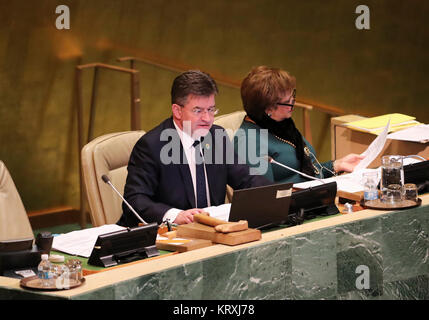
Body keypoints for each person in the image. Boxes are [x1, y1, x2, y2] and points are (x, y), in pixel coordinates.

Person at [117, 70, 270, 227]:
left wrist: (281, 194)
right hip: (171, 235)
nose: (207, 118)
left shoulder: (216, 135)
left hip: (212, 230)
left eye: (211, 109)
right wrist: (176, 215)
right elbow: (134, 201)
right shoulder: (152, 146)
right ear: (177, 111)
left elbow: (246, 178)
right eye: (198, 111)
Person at [234, 66, 363, 184]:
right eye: (287, 102)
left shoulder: (283, 125)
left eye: (293, 96)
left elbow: (310, 170)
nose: (293, 103)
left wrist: (337, 165)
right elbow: (267, 197)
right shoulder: (248, 142)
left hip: (309, 197)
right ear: (268, 110)